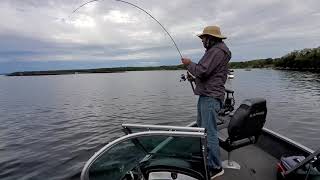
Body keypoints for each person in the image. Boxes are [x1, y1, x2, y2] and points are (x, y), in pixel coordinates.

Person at [181, 25, 231, 179]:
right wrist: (193, 78)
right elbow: (206, 75)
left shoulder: (216, 51)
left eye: (204, 38)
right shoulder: (215, 51)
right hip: (207, 96)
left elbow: (202, 70)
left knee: (209, 132)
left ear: (211, 39)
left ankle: (216, 167)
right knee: (202, 129)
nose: (202, 41)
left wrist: (189, 63)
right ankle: (207, 159)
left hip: (210, 97)